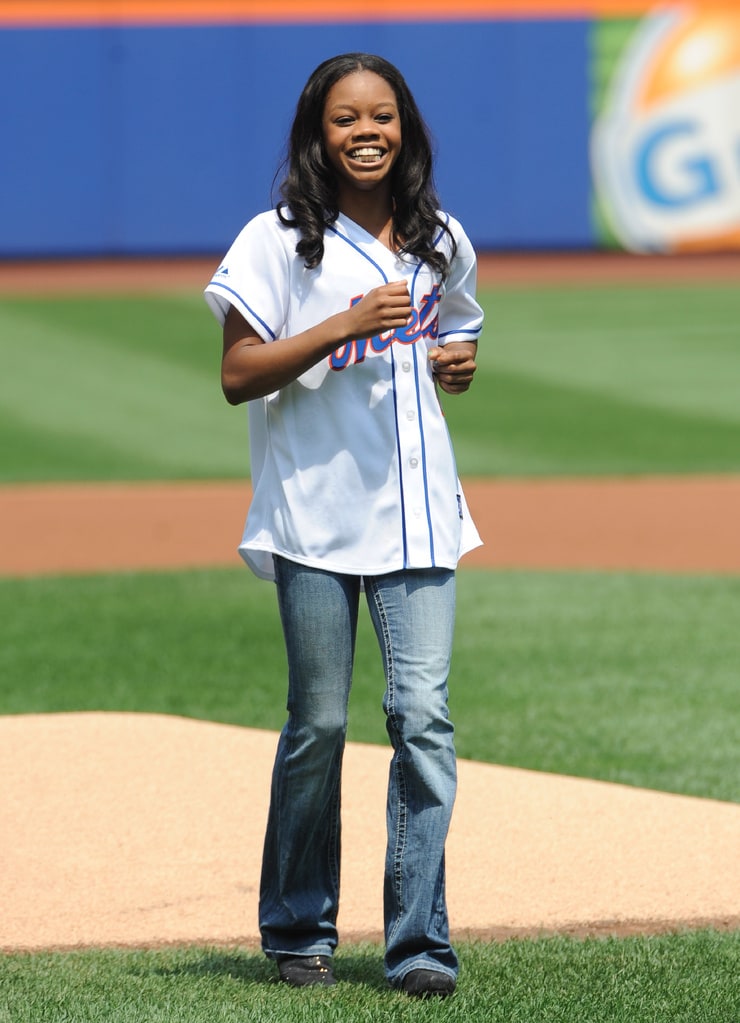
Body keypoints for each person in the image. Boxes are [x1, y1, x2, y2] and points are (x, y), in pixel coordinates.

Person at [204, 52, 483, 998]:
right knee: (320, 721)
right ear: (315, 134)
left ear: (406, 127)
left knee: (424, 722)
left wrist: (457, 361)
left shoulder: (441, 237)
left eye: (382, 117)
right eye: (345, 120)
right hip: (315, 517)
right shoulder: (279, 240)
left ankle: (419, 945)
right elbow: (239, 371)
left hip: (419, 514)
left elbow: (464, 323)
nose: (366, 133)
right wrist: (341, 324)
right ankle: (297, 926)